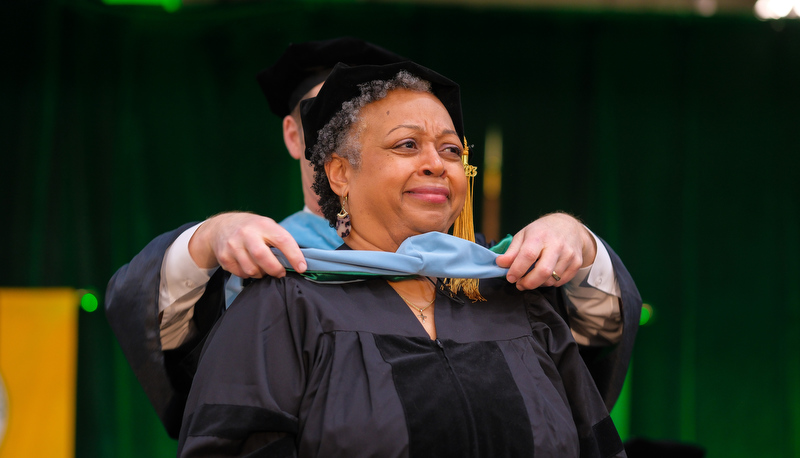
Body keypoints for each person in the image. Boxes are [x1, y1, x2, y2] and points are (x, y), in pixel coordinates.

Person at [105, 38, 640, 440]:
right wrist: (207, 239)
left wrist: (583, 245)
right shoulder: (270, 282)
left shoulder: (493, 279)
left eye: (451, 149)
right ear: (326, 158)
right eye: (404, 141)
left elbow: (589, 379)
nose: (434, 162)